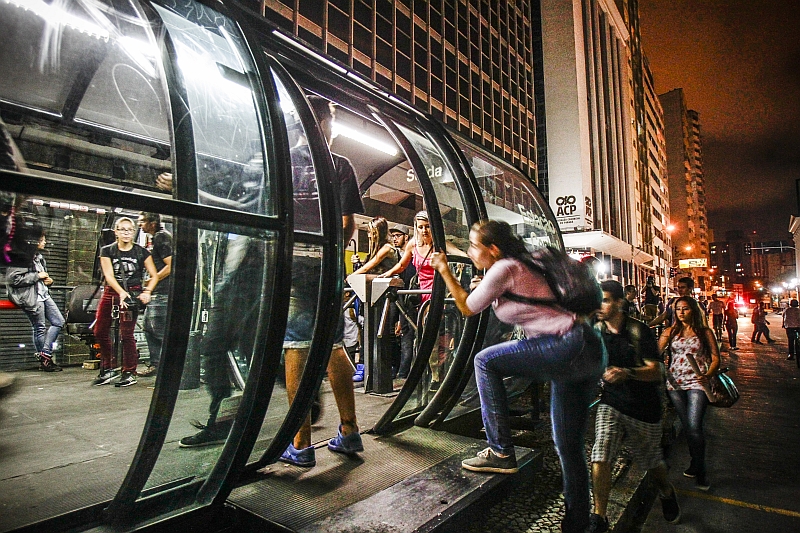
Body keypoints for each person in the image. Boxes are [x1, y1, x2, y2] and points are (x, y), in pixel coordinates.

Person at [430, 219, 606, 533]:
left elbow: (468, 308)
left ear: (493, 249)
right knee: (568, 446)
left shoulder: (504, 268)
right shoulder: (523, 263)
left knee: (485, 362)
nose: (470, 252)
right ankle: (577, 523)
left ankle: (500, 451)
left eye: (474, 245)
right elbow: (525, 300)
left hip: (565, 346)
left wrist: (443, 269)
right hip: (586, 348)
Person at [279, 95, 366, 467]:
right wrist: (331, 257)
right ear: (325, 125)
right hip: (326, 267)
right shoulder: (340, 166)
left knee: (296, 347)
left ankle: (300, 444)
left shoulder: (283, 162)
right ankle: (348, 432)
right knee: (332, 346)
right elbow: (347, 224)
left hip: (293, 265)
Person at [588, 281, 679, 532]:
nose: (600, 306)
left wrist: (627, 372)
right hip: (611, 402)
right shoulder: (596, 330)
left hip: (644, 408)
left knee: (652, 464)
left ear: (620, 303)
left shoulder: (639, 331)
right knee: (601, 453)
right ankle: (599, 517)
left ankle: (666, 491)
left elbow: (657, 370)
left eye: (605, 300)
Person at [659, 296, 720, 491]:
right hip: (675, 384)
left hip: (697, 382)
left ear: (693, 310)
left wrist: (707, 375)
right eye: (678, 309)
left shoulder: (704, 332)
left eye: (685, 308)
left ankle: (701, 471)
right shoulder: (670, 332)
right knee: (687, 427)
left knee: (694, 426)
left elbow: (715, 358)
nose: (681, 312)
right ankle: (695, 463)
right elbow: (655, 353)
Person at [92, 217, 159, 387]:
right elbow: (109, 275)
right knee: (100, 330)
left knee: (126, 333)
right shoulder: (108, 251)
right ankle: (108, 367)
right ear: (116, 232)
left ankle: (129, 370)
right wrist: (121, 292)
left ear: (134, 231)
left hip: (131, 294)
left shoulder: (141, 252)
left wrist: (147, 291)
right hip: (112, 292)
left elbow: (155, 275)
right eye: (122, 229)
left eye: (129, 229)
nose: (126, 233)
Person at [381, 211, 440, 386]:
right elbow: (402, 264)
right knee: (422, 337)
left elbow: (459, 255)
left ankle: (435, 377)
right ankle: (429, 374)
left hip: (437, 296)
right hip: (420, 297)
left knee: (432, 337)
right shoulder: (413, 245)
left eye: (428, 226)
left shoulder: (439, 244)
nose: (424, 230)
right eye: (420, 227)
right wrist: (387, 274)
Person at [6, 231, 65, 371]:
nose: (44, 242)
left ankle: (44, 354)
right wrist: (37, 276)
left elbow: (43, 278)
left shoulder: (39, 258)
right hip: (32, 297)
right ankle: (46, 361)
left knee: (59, 321)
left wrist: (49, 281)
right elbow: (13, 279)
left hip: (44, 294)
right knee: (40, 327)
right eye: (42, 240)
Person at [137, 212, 172, 377]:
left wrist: (154, 280)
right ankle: (157, 365)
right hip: (157, 293)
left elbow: (171, 265)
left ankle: (170, 366)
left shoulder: (161, 237)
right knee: (149, 329)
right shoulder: (156, 238)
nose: (139, 225)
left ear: (152, 222)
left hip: (162, 293)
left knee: (159, 331)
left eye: (142, 221)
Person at [389, 224, 415, 379]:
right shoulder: (396, 255)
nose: (394, 239)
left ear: (406, 237)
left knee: (407, 333)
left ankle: (403, 371)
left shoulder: (410, 254)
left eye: (398, 235)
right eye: (393, 236)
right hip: (397, 296)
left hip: (408, 297)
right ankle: (397, 367)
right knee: (396, 332)